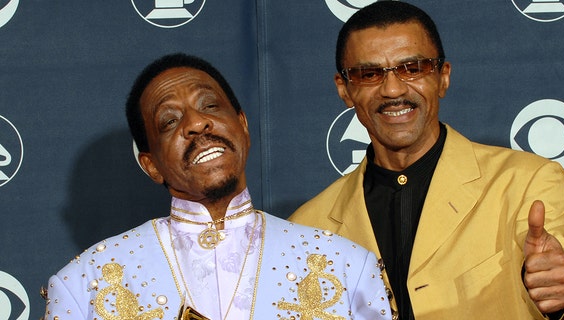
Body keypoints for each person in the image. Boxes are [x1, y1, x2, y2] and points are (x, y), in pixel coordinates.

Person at [288, 1, 564, 319]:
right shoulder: (306, 228)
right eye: (369, 73)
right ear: (344, 89)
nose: (393, 88)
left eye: (412, 68)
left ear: (443, 77)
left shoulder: (525, 181)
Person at [42, 53, 392, 320]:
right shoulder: (83, 284)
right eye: (169, 121)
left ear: (243, 126)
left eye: (210, 105)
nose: (196, 123)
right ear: (151, 165)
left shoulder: (345, 266)